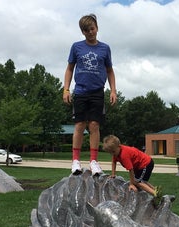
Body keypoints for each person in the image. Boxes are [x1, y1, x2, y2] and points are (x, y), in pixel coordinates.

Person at [63, 13, 118, 175]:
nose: (90, 32)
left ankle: (94, 161)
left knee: (94, 125)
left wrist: (113, 90)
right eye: (87, 30)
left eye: (92, 29)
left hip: (97, 93)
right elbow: (69, 69)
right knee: (80, 125)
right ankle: (75, 162)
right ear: (83, 32)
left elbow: (109, 70)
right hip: (80, 91)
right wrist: (66, 89)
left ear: (97, 28)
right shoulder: (76, 47)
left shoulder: (105, 48)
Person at [103, 135, 161, 199]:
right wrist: (113, 174)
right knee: (142, 180)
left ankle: (155, 194)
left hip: (145, 164)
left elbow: (131, 170)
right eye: (110, 153)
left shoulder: (124, 155)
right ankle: (155, 189)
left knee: (137, 182)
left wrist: (131, 184)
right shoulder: (116, 153)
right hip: (141, 165)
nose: (112, 154)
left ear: (119, 146)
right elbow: (114, 162)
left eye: (113, 152)